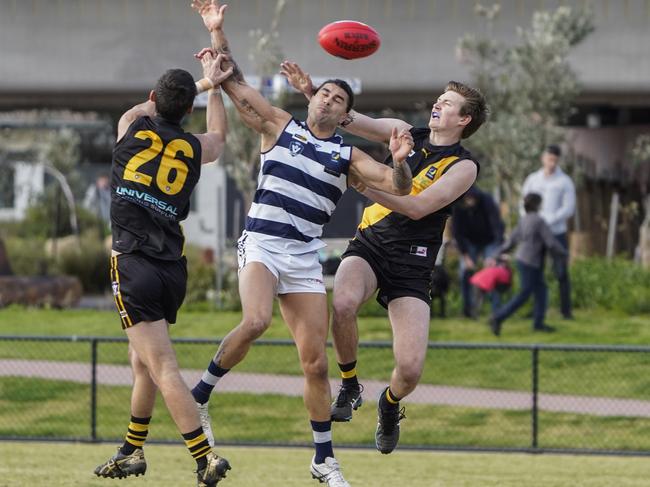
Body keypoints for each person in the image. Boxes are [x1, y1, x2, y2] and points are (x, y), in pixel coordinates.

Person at [189, 2, 413, 486]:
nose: (328, 101)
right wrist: (218, 32)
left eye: (337, 99)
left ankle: (322, 460)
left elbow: (398, 187)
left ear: (344, 112)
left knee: (314, 362)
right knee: (256, 320)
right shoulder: (279, 126)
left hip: (303, 256)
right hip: (264, 243)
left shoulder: (346, 153)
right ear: (309, 98)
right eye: (324, 93)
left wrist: (399, 159)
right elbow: (233, 82)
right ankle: (201, 392)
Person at [281, 61, 488, 454]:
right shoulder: (407, 132)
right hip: (372, 244)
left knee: (409, 370)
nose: (437, 106)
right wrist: (313, 93)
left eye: (448, 103)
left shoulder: (464, 167)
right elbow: (350, 120)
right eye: (439, 99)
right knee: (341, 302)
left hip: (412, 263)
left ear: (464, 118)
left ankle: (389, 404)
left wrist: (360, 183)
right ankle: (350, 384)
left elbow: (417, 207)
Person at [94, 51, 234, 487]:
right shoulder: (194, 147)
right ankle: (131, 450)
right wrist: (214, 87)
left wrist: (203, 82)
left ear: (154, 97)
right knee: (143, 363)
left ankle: (204, 457)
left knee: (162, 366)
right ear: (188, 108)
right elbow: (218, 136)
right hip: (171, 269)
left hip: (134, 262)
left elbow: (145, 108)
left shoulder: (131, 125)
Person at [488, 193, 568, 336]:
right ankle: (497, 317)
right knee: (524, 294)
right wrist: (563, 253)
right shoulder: (539, 221)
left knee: (541, 291)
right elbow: (550, 242)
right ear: (538, 205)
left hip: (523, 260)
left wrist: (495, 254)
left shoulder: (524, 220)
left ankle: (538, 323)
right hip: (531, 262)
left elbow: (511, 240)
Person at [521, 144, 576, 319]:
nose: (551, 163)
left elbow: (568, 208)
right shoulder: (533, 180)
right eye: (549, 159)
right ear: (543, 158)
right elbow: (523, 203)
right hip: (536, 235)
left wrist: (548, 220)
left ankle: (566, 311)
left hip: (556, 233)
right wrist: (532, 222)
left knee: (561, 272)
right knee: (535, 272)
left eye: (555, 160)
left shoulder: (564, 181)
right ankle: (537, 311)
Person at [451, 185, 504, 317]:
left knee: (493, 272)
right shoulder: (458, 205)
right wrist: (465, 256)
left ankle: (496, 311)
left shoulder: (487, 201)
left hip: (490, 240)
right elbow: (456, 233)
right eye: (467, 199)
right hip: (469, 242)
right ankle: (468, 310)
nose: (470, 202)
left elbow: (497, 226)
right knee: (465, 272)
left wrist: (494, 254)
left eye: (472, 198)